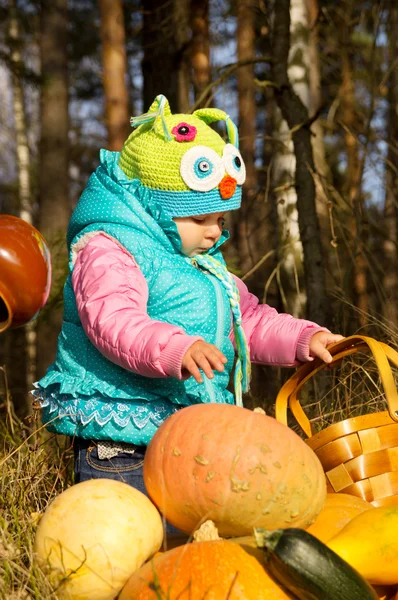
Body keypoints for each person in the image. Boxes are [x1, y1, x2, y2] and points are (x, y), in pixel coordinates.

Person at [33, 94, 343, 500]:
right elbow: (112, 320)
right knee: (126, 534)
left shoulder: (200, 266)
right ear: (154, 205)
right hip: (124, 438)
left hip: (186, 436)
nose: (214, 232)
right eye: (200, 219)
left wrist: (304, 338)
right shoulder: (108, 247)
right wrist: (176, 348)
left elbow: (247, 321)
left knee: (185, 542)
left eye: (220, 219)